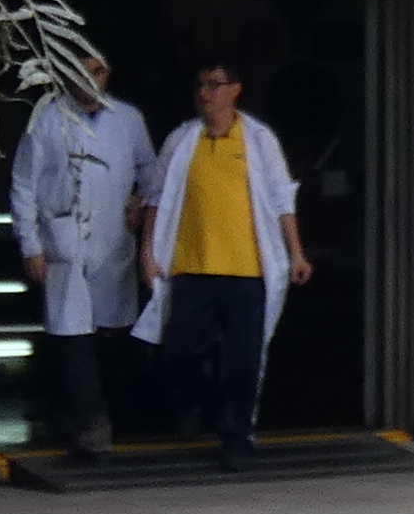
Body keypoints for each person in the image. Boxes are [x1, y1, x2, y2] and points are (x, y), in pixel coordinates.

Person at [127, 59, 307, 469]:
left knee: (244, 356)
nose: (205, 93)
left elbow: (282, 199)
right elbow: (156, 197)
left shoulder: (258, 140)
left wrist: (295, 252)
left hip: (248, 271)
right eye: (200, 86)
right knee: (182, 350)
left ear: (235, 90)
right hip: (192, 267)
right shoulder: (181, 139)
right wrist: (148, 252)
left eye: (214, 85)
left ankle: (236, 436)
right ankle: (198, 400)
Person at [8, 42, 153, 462]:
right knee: (72, 338)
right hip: (62, 246)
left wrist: (141, 204)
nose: (89, 79)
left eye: (98, 70)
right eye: (81, 70)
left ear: (108, 74)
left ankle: (96, 417)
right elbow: (23, 185)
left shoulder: (128, 120)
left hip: (113, 244)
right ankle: (91, 429)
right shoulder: (47, 119)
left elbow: (152, 174)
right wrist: (31, 245)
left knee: (111, 337)